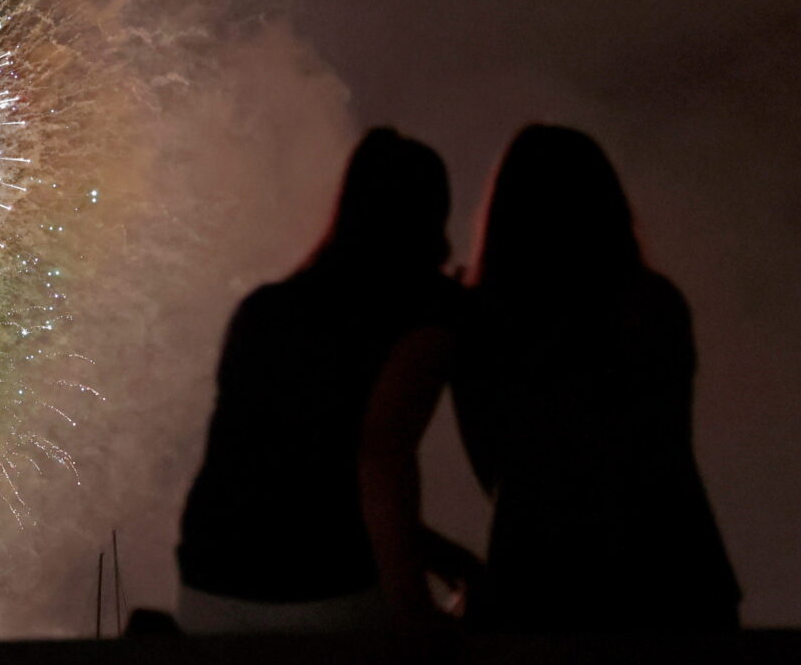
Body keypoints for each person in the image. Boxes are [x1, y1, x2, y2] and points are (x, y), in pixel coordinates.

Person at [175, 128, 475, 632]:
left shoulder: (263, 310)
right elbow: (381, 461)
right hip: (323, 592)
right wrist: (418, 618)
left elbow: (294, 477)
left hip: (207, 591)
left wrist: (438, 556)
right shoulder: (420, 321)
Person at [452, 124, 740, 631]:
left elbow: (490, 463)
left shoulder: (481, 321)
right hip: (673, 568)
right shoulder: (654, 304)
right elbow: (668, 437)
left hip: (538, 577)